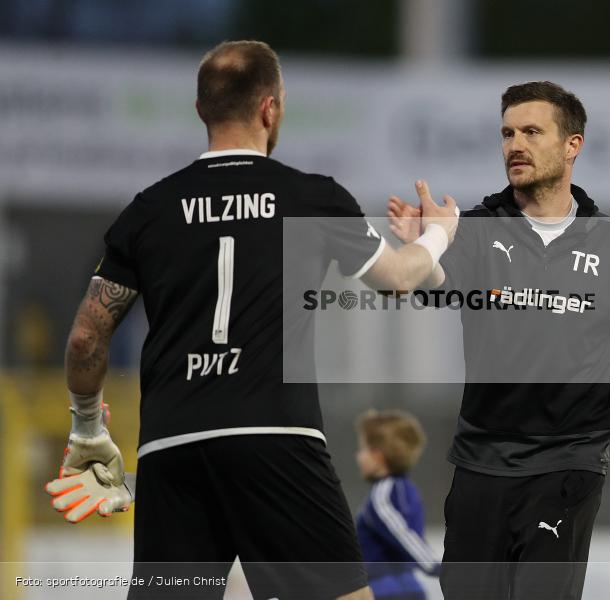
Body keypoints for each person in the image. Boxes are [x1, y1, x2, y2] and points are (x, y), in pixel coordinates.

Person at [43, 40, 458, 600]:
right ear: (271, 108)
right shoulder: (310, 198)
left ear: (201, 110)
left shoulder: (149, 210)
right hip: (276, 438)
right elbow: (399, 277)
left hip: (172, 449)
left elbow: (86, 338)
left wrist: (88, 429)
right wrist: (438, 235)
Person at [387, 81, 610, 600]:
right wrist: (425, 247)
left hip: (568, 461)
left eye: (532, 132)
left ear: (572, 145)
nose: (516, 144)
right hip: (480, 461)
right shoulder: (473, 229)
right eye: (507, 133)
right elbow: (434, 291)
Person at [355, 409, 440, 600]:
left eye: (362, 449)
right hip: (408, 588)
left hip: (386, 591)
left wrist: (433, 565)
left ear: (377, 456)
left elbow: (402, 533)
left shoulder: (382, 494)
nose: (358, 456)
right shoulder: (408, 489)